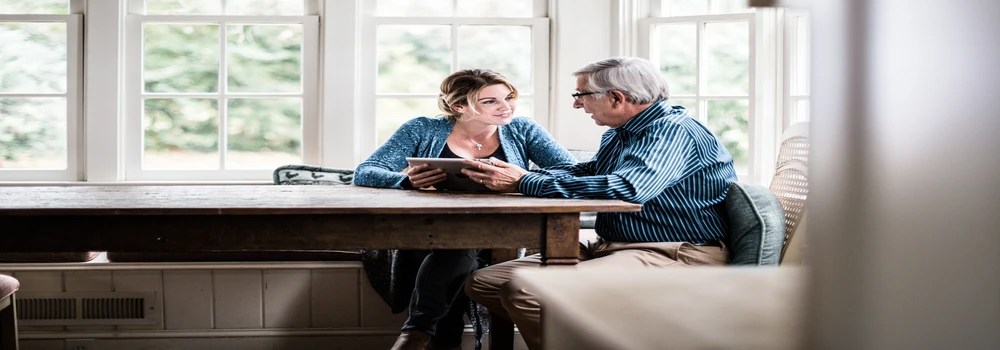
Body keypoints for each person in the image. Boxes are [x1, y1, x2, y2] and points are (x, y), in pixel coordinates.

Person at [459, 57, 738, 350]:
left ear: (617, 98)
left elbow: (628, 188)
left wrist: (523, 182)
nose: (577, 105)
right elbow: (591, 172)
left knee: (527, 291)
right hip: (614, 246)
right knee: (484, 282)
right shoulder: (621, 134)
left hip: (675, 251)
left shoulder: (671, 131)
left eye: (580, 95)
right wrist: (520, 174)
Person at [353, 69, 577, 350]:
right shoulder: (422, 128)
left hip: (501, 231)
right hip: (429, 231)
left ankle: (416, 333)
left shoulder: (523, 129)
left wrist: (522, 179)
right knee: (456, 246)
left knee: (458, 246)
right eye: (490, 101)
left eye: (508, 97)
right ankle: (429, 338)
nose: (506, 106)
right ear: (459, 106)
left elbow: (569, 172)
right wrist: (405, 180)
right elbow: (365, 172)